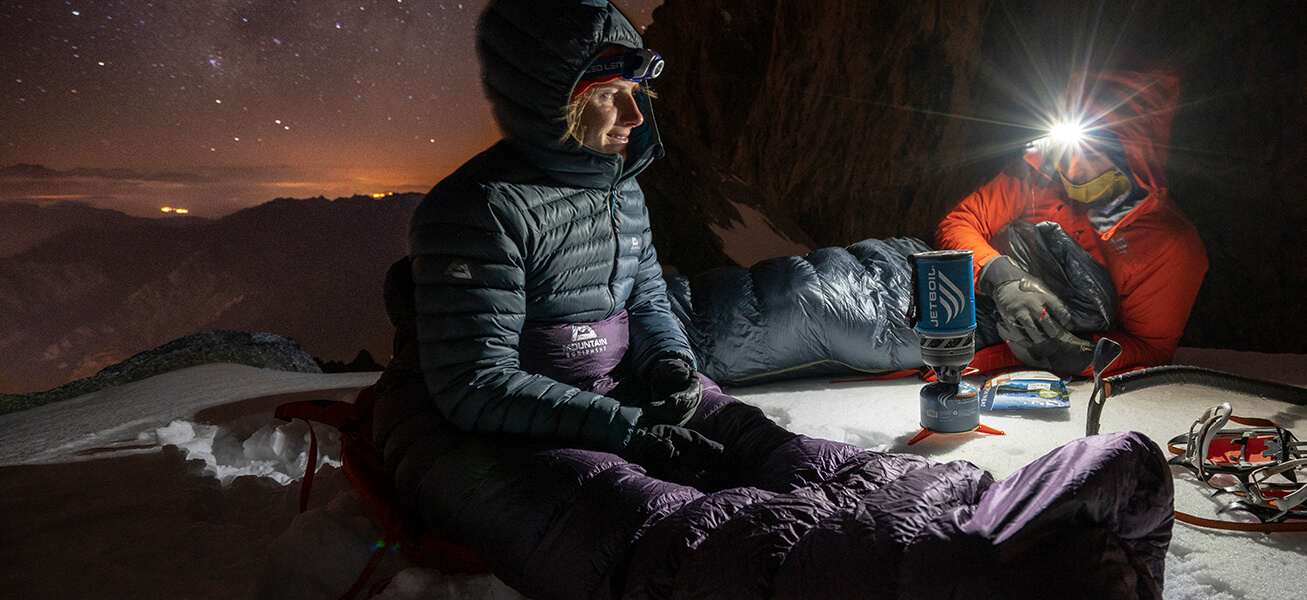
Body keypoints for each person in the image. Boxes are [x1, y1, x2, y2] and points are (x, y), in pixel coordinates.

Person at [371, 2, 1175, 597]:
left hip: (622, 392)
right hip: (491, 436)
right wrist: (628, 430)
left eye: (634, 89)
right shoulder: (474, 211)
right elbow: (475, 385)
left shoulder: (618, 189)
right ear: (543, 100)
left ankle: (1003, 519)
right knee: (665, 529)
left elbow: (647, 301)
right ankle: (951, 573)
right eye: (601, 95)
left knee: (792, 457)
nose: (630, 114)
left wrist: (678, 375)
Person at [936, 63, 1208, 377]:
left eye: (1092, 154)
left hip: (1000, 336)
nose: (1072, 169)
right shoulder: (1039, 173)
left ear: (1133, 155)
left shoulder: (1169, 246)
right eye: (1066, 149)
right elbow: (959, 222)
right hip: (967, 299)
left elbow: (1152, 348)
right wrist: (1000, 275)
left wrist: (1078, 356)